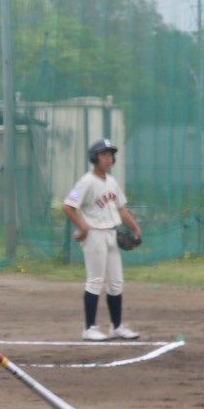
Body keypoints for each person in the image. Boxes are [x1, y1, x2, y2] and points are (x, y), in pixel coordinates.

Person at [63, 138, 143, 341]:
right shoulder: (86, 182)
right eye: (104, 155)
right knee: (95, 280)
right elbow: (68, 206)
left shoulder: (112, 182)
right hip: (94, 235)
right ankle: (89, 328)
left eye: (111, 155)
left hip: (111, 234)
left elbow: (121, 209)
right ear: (94, 158)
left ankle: (116, 326)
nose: (108, 159)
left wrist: (135, 228)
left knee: (116, 282)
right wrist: (82, 226)